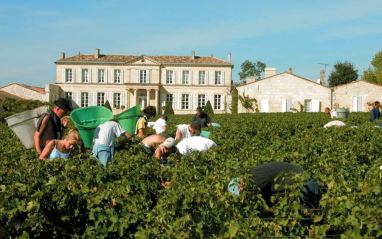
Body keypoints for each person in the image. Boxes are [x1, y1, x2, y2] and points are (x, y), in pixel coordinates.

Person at [228, 162, 321, 209]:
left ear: (241, 183)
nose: (243, 193)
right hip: (302, 186)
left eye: (240, 191)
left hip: (305, 186)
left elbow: (247, 199)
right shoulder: (254, 176)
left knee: (305, 223)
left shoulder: (254, 178)